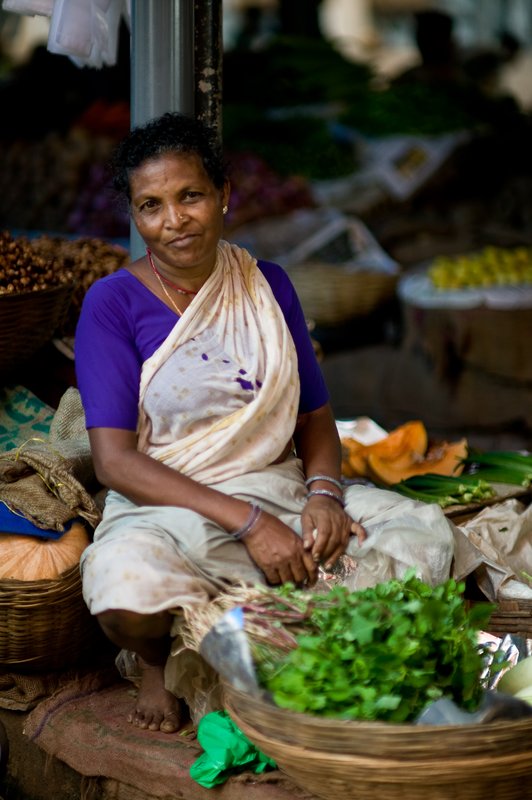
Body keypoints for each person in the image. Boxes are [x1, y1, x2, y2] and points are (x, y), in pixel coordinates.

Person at [74, 111, 470, 735]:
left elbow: (314, 413)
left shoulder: (267, 285)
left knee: (422, 530)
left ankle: (277, 634)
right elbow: (114, 463)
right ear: (134, 215)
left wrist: (324, 495)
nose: (173, 220)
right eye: (151, 205)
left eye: (191, 196)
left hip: (277, 489)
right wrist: (250, 525)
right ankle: (158, 662)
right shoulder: (111, 304)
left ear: (224, 196)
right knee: (124, 592)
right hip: (168, 503)